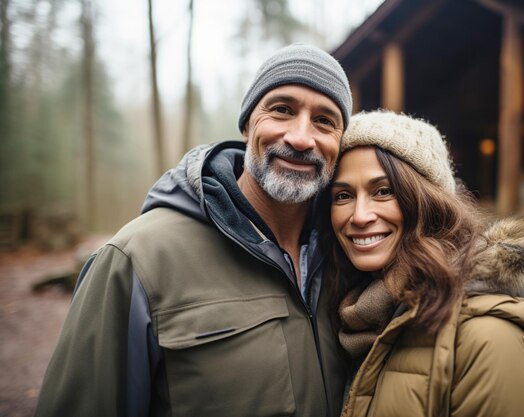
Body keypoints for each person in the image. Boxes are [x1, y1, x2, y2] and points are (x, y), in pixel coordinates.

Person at [34, 43, 353, 417]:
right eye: (282, 110)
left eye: (325, 120)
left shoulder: (348, 256)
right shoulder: (136, 259)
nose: (301, 138)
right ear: (248, 123)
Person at [318, 110, 524, 417]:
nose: (360, 216)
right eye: (344, 195)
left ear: (429, 202)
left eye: (383, 191)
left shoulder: (487, 337)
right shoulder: (353, 317)